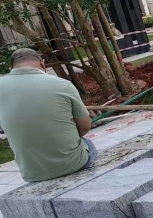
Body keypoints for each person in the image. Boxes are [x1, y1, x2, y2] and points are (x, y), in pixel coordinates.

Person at [0, 48, 97, 182]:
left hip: (32, 173)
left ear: (11, 68)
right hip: (73, 164)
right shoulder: (63, 84)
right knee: (89, 144)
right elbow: (85, 126)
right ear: (42, 63)